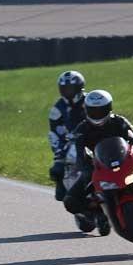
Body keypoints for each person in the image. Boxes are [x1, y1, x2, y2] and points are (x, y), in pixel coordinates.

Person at [63, 90, 133, 215]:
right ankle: (97, 212)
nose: (97, 114)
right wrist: (84, 167)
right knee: (70, 201)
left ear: (109, 108)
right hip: (100, 167)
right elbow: (79, 150)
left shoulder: (119, 121)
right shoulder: (82, 129)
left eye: (101, 110)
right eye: (93, 111)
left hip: (126, 161)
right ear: (86, 110)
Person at [48, 71, 87, 201]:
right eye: (64, 89)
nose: (68, 92)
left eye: (70, 89)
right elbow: (54, 133)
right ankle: (70, 192)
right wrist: (59, 156)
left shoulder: (90, 100)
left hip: (93, 137)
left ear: (79, 87)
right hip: (71, 144)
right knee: (57, 172)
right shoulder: (58, 109)